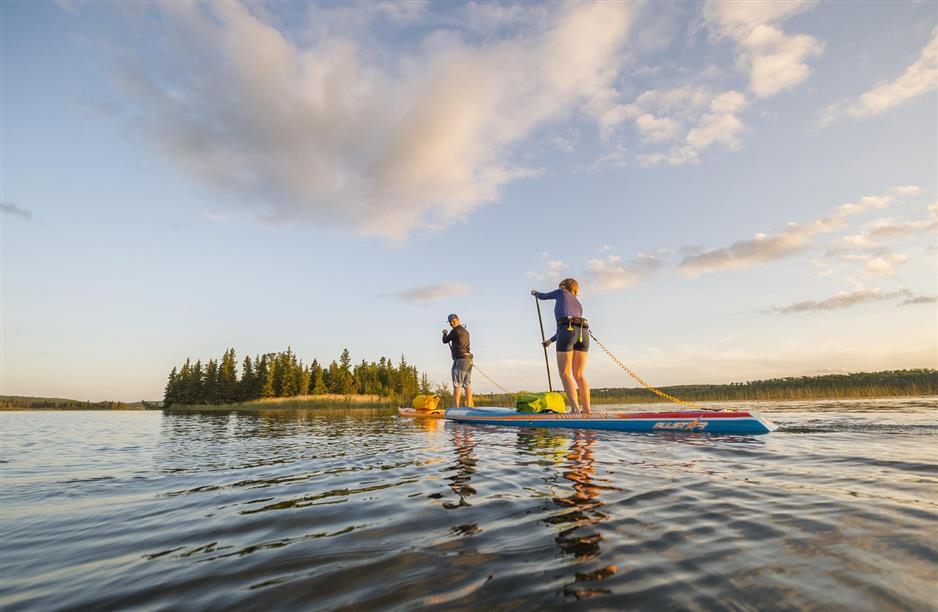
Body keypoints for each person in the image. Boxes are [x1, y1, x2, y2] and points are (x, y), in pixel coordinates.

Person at [532, 278, 590, 412]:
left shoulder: (561, 292)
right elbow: (571, 327)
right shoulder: (579, 304)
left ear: (565, 286)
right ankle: (587, 410)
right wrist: (550, 341)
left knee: (565, 373)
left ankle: (575, 410)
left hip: (567, 331)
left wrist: (535, 293)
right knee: (579, 374)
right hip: (583, 332)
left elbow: (543, 296)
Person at [442, 313, 473, 407]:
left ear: (458, 320)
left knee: (457, 385)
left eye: (453, 321)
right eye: (450, 322)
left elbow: (445, 340)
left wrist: (444, 333)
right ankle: (469, 407)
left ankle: (456, 408)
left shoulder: (455, 331)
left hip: (460, 360)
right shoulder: (466, 332)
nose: (452, 323)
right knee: (467, 384)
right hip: (469, 360)